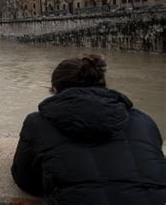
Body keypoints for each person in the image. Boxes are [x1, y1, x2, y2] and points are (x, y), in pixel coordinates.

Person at [11, 54, 166, 205]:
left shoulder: (37, 123)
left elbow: (24, 178)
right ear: (102, 84)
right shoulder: (143, 121)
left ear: (55, 90)